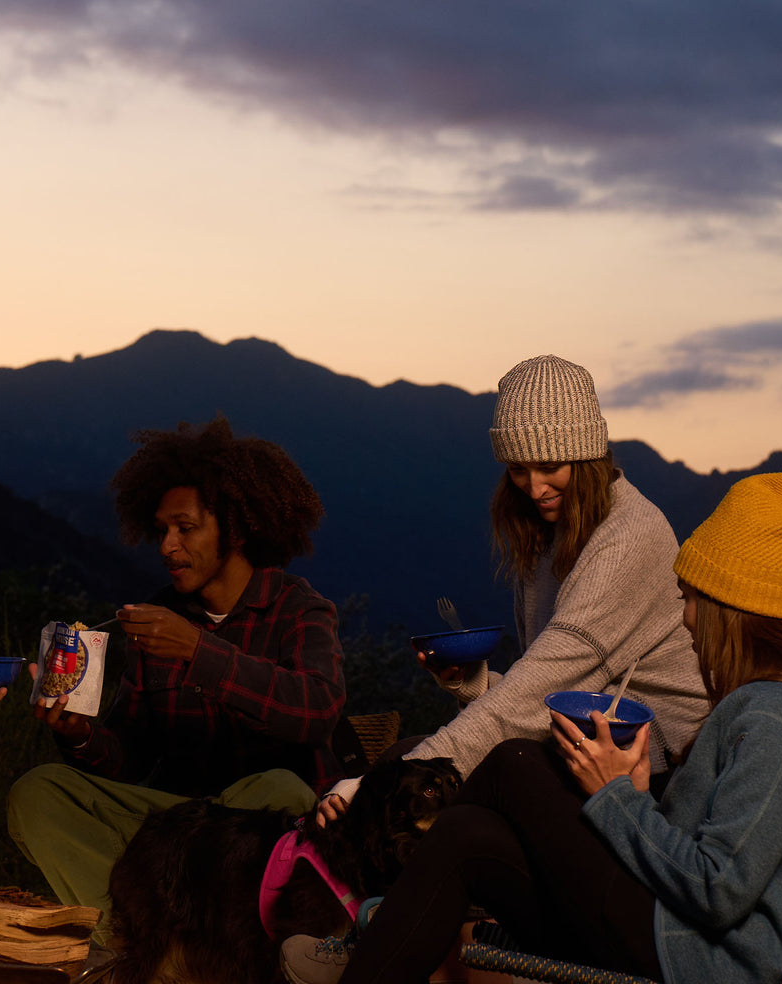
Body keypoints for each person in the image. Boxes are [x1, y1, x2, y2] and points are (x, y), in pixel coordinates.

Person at [286, 354, 709, 981]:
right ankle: (385, 931)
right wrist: (478, 685)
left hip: (653, 771)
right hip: (581, 741)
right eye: (517, 468)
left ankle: (382, 931)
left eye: (550, 466)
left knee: (426, 776)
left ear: (588, 456)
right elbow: (556, 686)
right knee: (432, 784)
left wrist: (387, 778)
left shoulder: (629, 537)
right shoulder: (554, 539)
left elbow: (548, 685)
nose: (534, 485)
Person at [284, 471, 782, 984]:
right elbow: (714, 843)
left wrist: (618, 797)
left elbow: (719, 889)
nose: (683, 618)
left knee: (513, 761)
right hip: (665, 921)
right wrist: (639, 796)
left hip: (695, 956)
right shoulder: (755, 707)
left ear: (733, 615)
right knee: (467, 832)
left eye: (690, 598)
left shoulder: (771, 716)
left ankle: (372, 923)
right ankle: (377, 942)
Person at [7, 416, 345, 955]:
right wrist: (78, 733)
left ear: (234, 529)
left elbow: (317, 711)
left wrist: (196, 650)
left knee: (280, 788)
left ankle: (159, 951)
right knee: (38, 792)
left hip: (265, 833)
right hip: (178, 826)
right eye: (162, 530)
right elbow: (131, 759)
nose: (167, 546)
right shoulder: (158, 615)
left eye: (185, 528)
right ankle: (149, 947)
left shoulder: (296, 608)